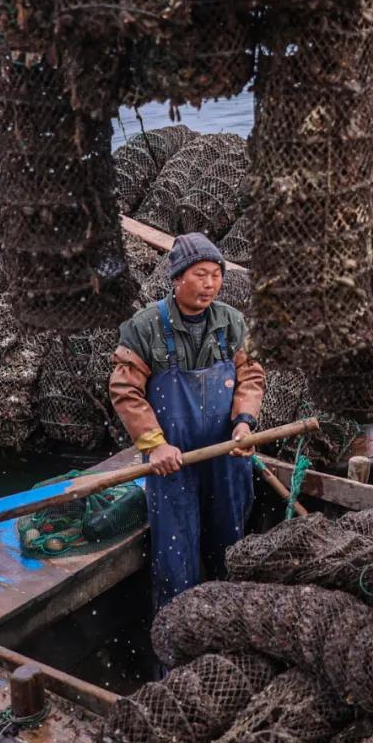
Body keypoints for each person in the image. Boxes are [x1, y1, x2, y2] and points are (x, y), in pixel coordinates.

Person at [109, 232, 265, 607]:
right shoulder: (144, 327)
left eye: (215, 274)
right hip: (171, 463)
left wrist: (244, 422)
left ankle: (229, 617)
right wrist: (154, 445)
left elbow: (252, 376)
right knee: (175, 554)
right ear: (177, 278)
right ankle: (178, 633)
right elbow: (125, 391)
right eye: (200, 274)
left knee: (230, 542)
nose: (210, 283)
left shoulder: (232, 322)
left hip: (226, 456)